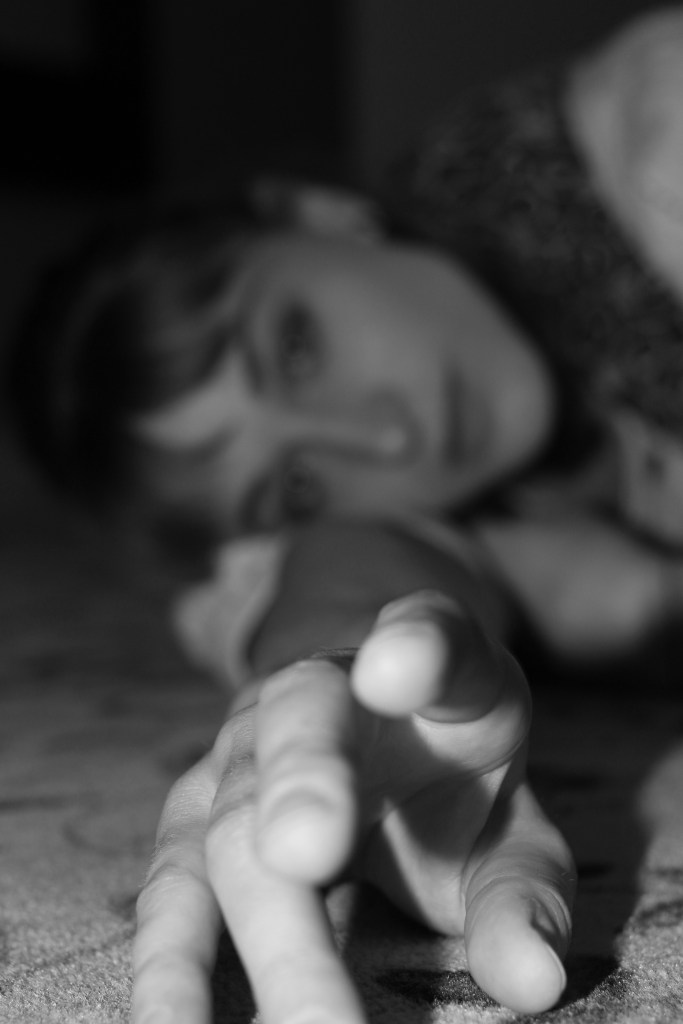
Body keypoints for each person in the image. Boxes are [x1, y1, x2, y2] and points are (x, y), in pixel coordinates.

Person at [7, 7, 683, 1023]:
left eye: (296, 347)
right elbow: (336, 568)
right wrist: (331, 678)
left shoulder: (651, 140)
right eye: (296, 484)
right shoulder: (440, 518)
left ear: (322, 214)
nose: (381, 439)